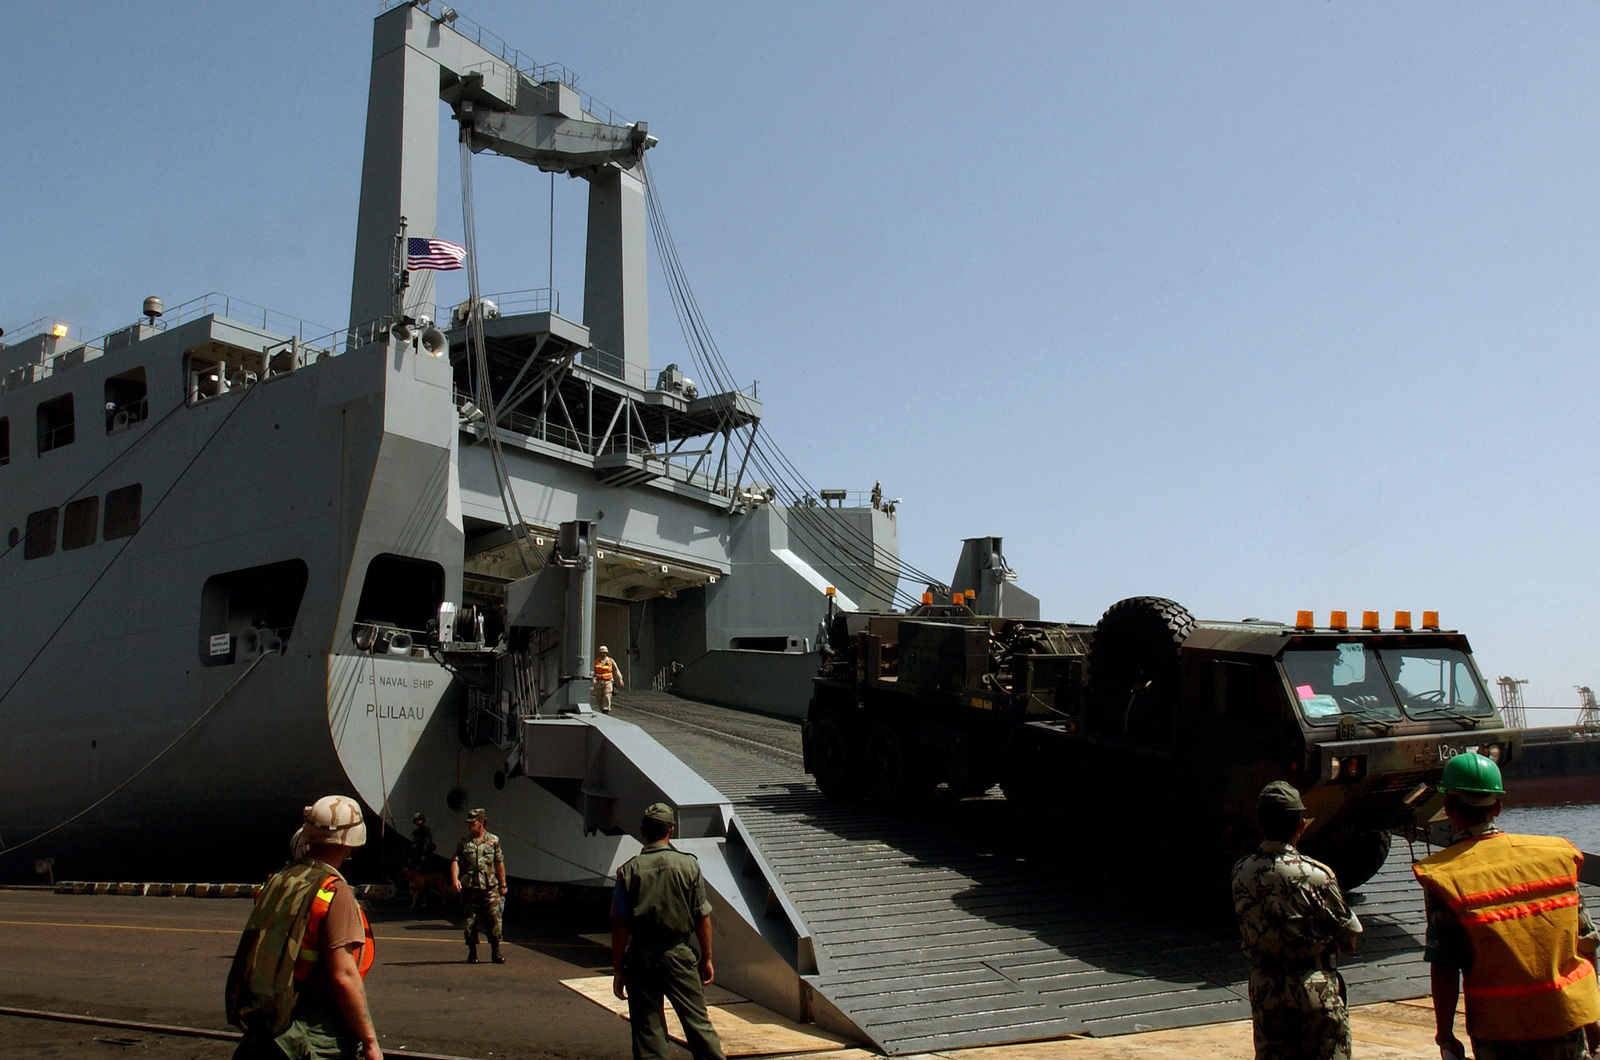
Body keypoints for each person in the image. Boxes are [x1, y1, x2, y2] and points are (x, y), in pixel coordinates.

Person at [1413, 752, 1600, 1060]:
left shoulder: (1444, 876)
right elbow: (1587, 944)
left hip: (1499, 1034)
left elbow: (1445, 969)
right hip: (1564, 1020)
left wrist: (1445, 1036)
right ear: (1498, 806)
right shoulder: (1556, 858)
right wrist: (1590, 1017)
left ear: (1447, 809)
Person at [227, 795, 382, 1060]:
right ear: (352, 840)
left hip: (270, 1022)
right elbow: (344, 976)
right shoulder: (334, 891)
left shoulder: (281, 879)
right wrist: (370, 1042)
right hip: (313, 1032)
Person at [1231, 780, 1362, 1060]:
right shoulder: (1316, 876)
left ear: (1258, 823)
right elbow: (1349, 938)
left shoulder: (1241, 872)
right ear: (1301, 825)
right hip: (1312, 989)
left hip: (1265, 990)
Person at [611, 804, 726, 1060]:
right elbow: (701, 917)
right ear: (671, 831)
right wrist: (706, 958)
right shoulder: (688, 866)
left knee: (648, 1033)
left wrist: (619, 969)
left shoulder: (627, 871)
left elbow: (619, 925)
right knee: (698, 1026)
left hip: (640, 957)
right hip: (678, 954)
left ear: (642, 832)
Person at [451, 808, 507, 964]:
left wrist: (503, 884)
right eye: (468, 823)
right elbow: (455, 860)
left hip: (490, 888)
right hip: (470, 888)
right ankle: (472, 952)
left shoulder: (493, 840)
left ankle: (495, 951)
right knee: (469, 922)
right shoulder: (464, 842)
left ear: (481, 823)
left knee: (494, 919)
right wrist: (455, 879)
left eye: (472, 823)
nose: (469, 826)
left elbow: (499, 862)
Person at [593, 645, 624, 714]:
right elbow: (593, 671)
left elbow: (616, 670)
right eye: (602, 652)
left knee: (607, 695)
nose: (603, 654)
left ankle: (606, 709)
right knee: (599, 697)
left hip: (608, 681)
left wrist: (620, 679)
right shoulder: (596, 661)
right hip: (599, 682)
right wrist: (593, 678)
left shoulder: (610, 661)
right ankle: (602, 709)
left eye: (605, 652)